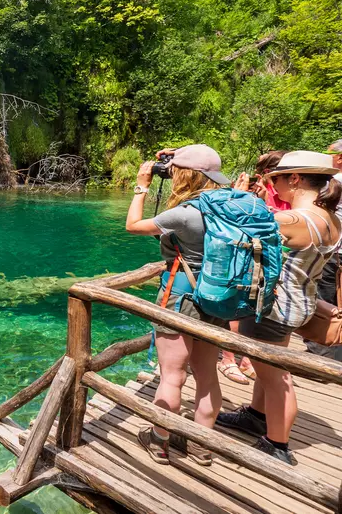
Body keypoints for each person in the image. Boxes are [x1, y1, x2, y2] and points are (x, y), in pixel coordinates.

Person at [217, 151, 342, 465]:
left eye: (276, 178)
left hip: (273, 309)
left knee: (277, 378)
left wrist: (237, 195)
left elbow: (231, 231)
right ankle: (257, 416)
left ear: (295, 179)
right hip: (298, 303)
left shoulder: (293, 220)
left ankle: (277, 445)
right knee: (266, 368)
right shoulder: (330, 218)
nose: (273, 184)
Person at [126, 144, 231, 466]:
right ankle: (202, 445)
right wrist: (179, 151)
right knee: (207, 374)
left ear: (184, 175)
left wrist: (142, 185)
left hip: (182, 295)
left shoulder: (185, 213)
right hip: (220, 295)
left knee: (172, 376)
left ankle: (159, 440)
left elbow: (133, 225)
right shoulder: (232, 204)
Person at [219, 151, 288, 384]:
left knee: (258, 312)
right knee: (239, 308)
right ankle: (228, 359)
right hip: (249, 261)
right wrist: (242, 197)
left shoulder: (283, 196)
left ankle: (248, 359)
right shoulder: (261, 193)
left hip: (271, 265)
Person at [310, 140, 342, 361]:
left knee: (324, 300)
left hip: (333, 251)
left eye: (328, 153)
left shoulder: (334, 183)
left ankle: (320, 355)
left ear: (339, 158)